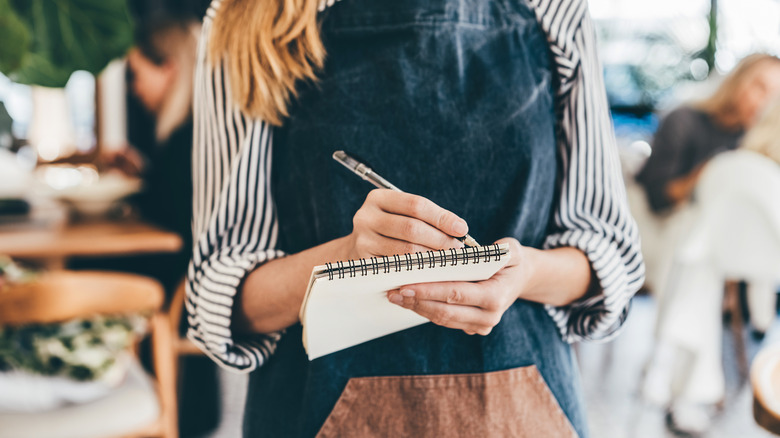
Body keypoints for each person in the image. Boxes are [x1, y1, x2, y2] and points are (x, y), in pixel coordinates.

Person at [186, 0, 644, 436]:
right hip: (314, 410)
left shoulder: (554, 10)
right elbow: (217, 296)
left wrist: (525, 272)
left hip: (522, 412)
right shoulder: (244, 14)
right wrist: (346, 257)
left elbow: (609, 258)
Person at [636, 53, 780, 214]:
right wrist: (706, 174)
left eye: (774, 96)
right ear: (738, 80)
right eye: (760, 87)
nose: (765, 103)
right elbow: (655, 197)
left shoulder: (750, 143)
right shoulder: (683, 121)